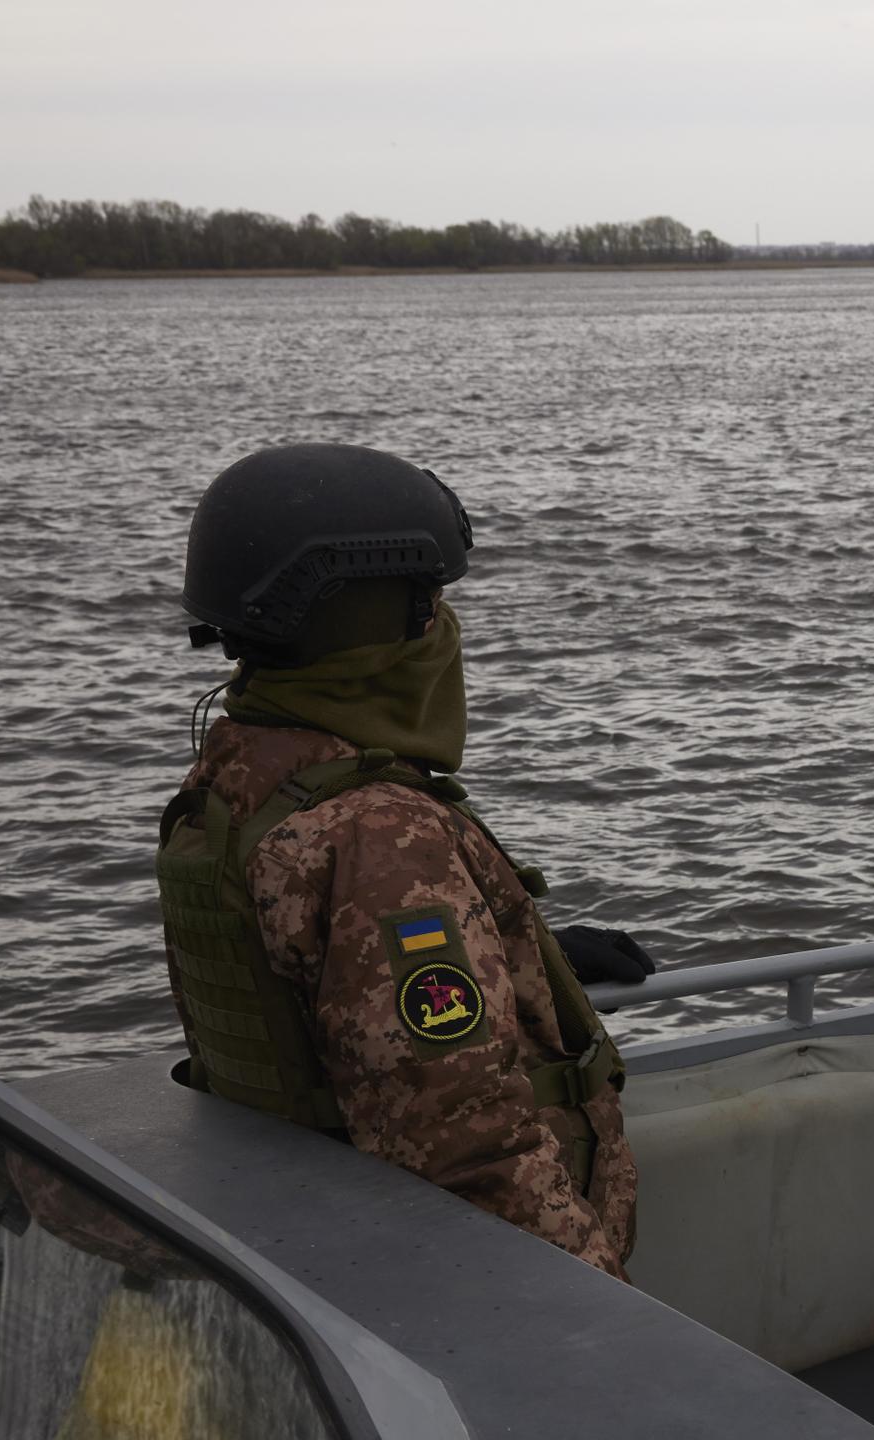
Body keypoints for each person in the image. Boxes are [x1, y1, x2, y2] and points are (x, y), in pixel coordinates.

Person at [155, 444, 645, 1279]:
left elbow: (335, 997)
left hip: (325, 1242)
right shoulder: (378, 835)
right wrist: (606, 1320)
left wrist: (523, 952)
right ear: (376, 619)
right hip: (486, 1304)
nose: (445, 625)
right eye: (429, 603)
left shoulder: (241, 773)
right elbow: (466, 1149)